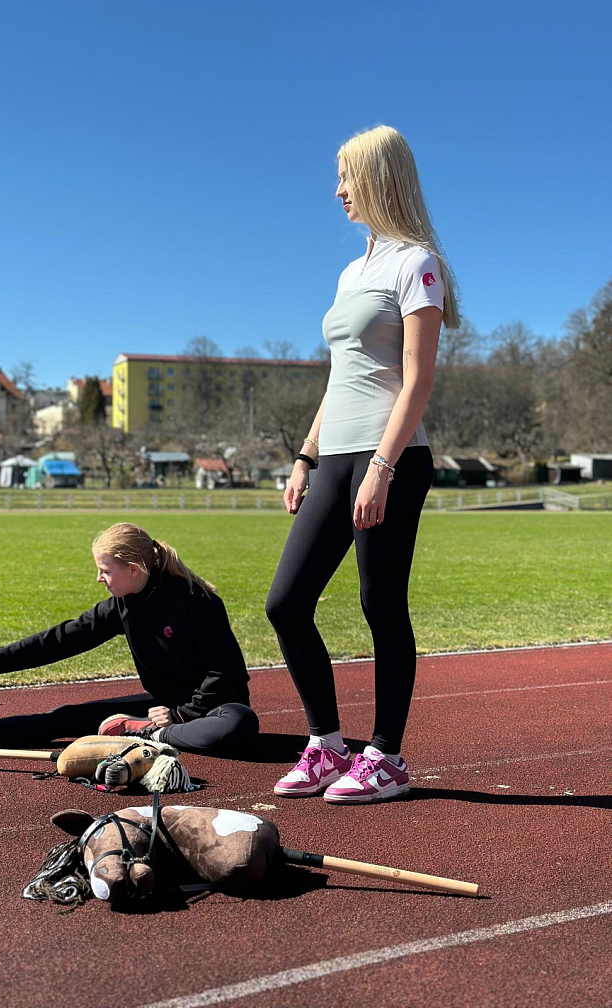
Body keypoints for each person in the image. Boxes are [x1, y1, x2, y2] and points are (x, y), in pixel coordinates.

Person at [266, 125, 459, 803]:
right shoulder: (353, 272)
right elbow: (339, 377)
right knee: (286, 603)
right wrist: (304, 455)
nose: (338, 190)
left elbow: (417, 382)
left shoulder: (418, 263)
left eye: (347, 176)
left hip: (392, 455)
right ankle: (326, 744)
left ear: (379, 179)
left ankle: (387, 758)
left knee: (380, 605)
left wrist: (382, 465)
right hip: (336, 454)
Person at [0, 523, 258, 757]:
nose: (99, 578)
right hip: (159, 710)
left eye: (105, 571)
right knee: (66, 716)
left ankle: (150, 735)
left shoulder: (197, 600)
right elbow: (59, 640)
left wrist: (181, 715)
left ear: (133, 569)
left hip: (213, 711)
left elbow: (226, 672)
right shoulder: (122, 605)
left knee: (242, 724)